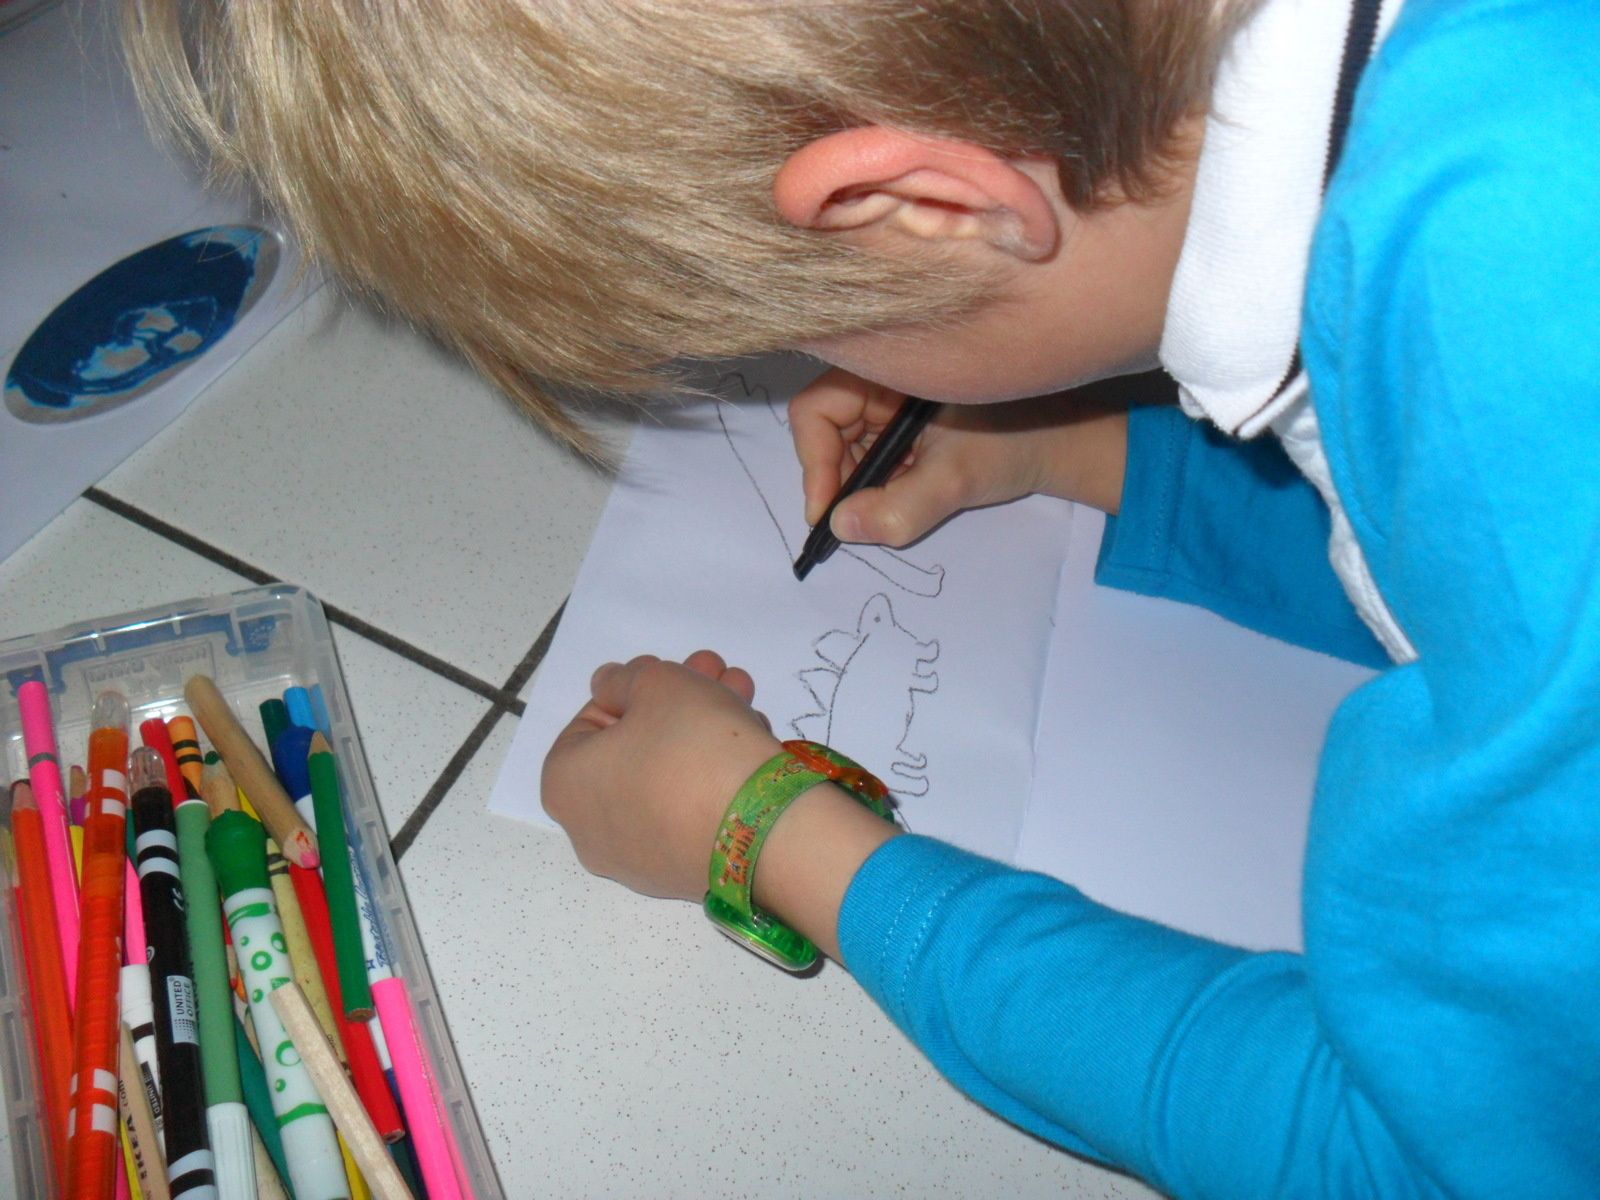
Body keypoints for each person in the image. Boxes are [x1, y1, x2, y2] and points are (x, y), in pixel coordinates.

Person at [128, 1, 1599, 1195]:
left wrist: (774, 837)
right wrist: (1083, 450)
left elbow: (1409, 1153)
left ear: (913, 199)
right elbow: (1443, 563)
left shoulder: (1520, 365)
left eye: (788, 323)